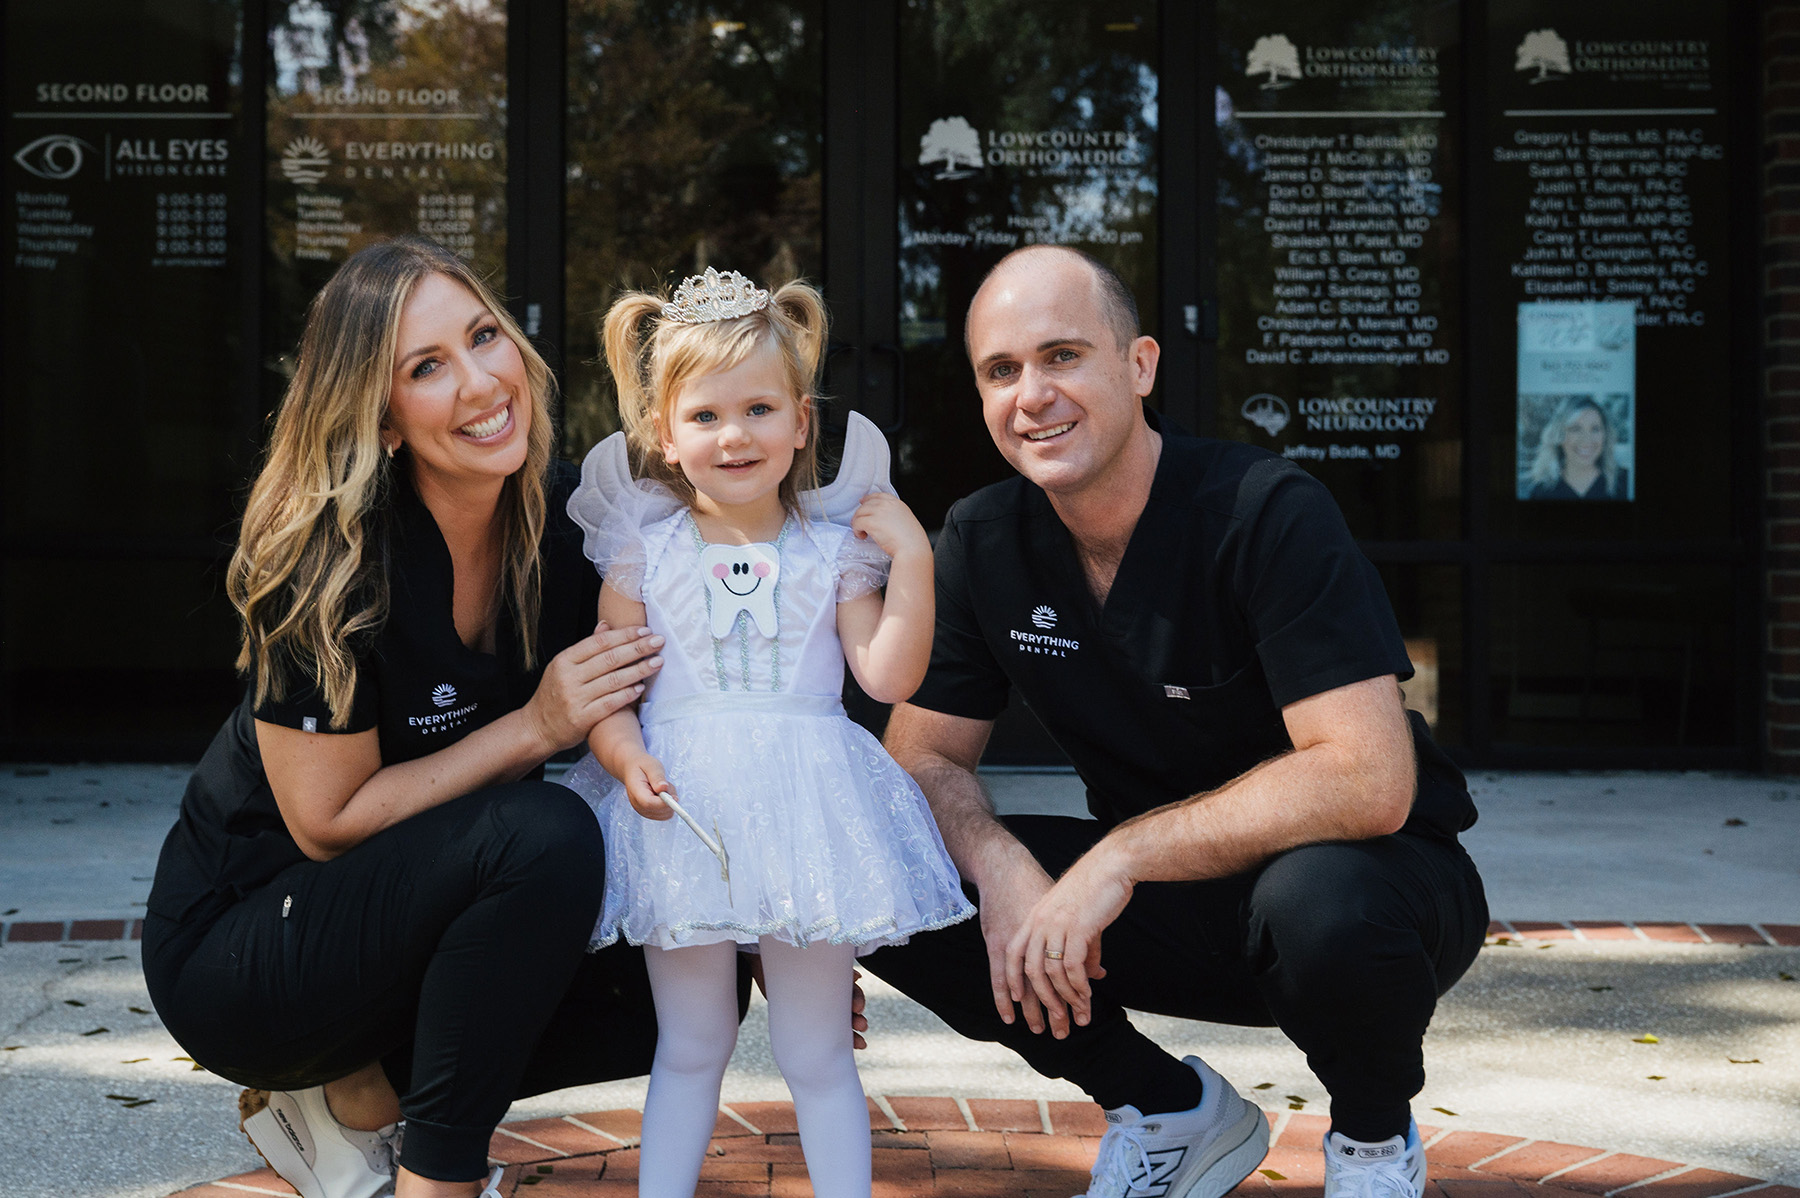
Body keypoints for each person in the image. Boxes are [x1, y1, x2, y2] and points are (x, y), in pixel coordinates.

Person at [861, 246, 1489, 1198]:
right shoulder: (985, 540)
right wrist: (1002, 867)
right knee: (888, 868)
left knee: (1319, 904)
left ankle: (1370, 1142)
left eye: (1062, 355)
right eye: (1002, 370)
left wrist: (1114, 860)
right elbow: (921, 763)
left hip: (1377, 897)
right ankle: (1167, 1108)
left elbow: (1367, 777)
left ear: (1140, 365)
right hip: (1172, 907)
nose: (1032, 394)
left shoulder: (1264, 511)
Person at [143, 237, 674, 1198]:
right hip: (245, 949)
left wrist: (780, 924)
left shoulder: (568, 530)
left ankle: (356, 1097)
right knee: (542, 834)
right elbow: (326, 823)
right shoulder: (327, 562)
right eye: (427, 368)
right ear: (381, 417)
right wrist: (535, 727)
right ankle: (437, 1182)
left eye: (484, 337)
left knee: (680, 977)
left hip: (402, 912)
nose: (480, 382)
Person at [559, 268, 975, 1198]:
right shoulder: (644, 549)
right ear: (665, 435)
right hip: (684, 816)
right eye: (704, 416)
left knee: (818, 1048)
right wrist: (626, 759)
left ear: (801, 423)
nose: (733, 434)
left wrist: (912, 556)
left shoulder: (836, 551)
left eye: (758, 409)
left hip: (807, 815)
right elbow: (606, 688)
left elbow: (888, 675)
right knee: (692, 1042)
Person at [1524, 396, 1629, 500]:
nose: (1586, 439)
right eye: (1575, 429)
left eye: (1595, 429)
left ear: (1605, 435)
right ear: (1559, 436)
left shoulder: (1626, 482)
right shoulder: (1541, 492)